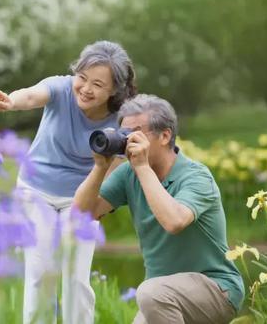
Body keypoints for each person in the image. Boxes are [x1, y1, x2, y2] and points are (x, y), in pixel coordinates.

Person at [0, 41, 136, 324]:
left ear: (114, 90)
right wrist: (10, 101)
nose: (85, 88)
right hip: (36, 190)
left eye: (97, 84)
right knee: (40, 271)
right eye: (82, 77)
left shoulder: (122, 118)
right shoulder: (61, 87)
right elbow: (31, 95)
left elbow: (113, 173)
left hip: (81, 198)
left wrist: (99, 206)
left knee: (76, 276)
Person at [74, 94, 244, 323]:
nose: (127, 140)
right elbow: (82, 213)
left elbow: (174, 222)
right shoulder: (128, 174)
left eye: (136, 131)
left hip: (216, 289)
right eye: (124, 133)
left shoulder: (196, 176)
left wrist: (143, 167)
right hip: (160, 295)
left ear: (165, 135)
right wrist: (100, 167)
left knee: (150, 292)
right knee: (152, 293)